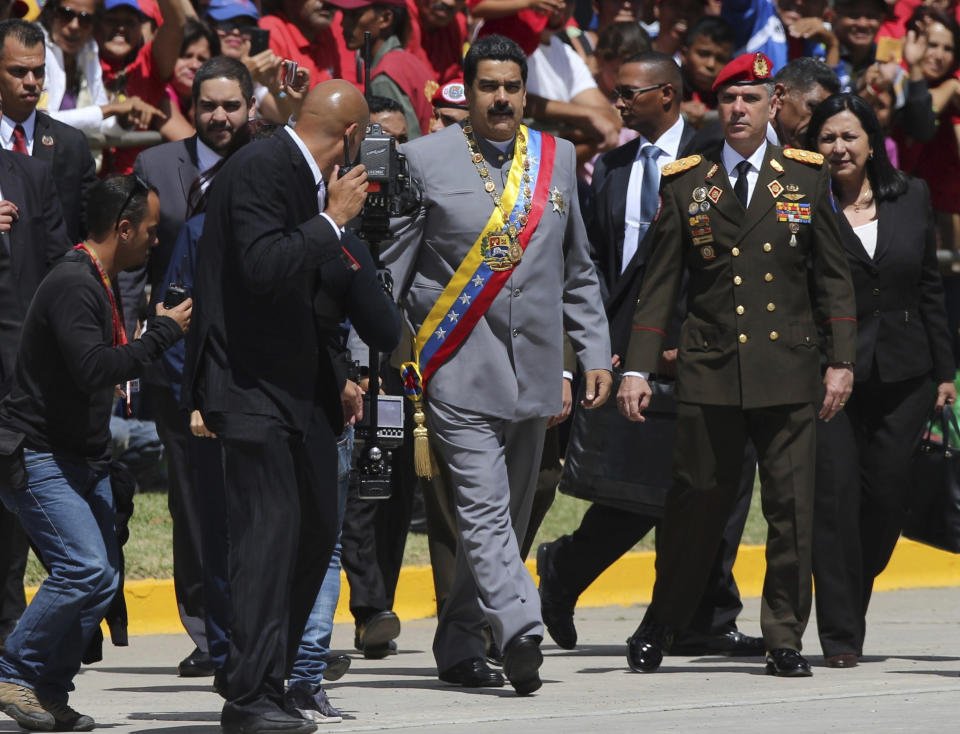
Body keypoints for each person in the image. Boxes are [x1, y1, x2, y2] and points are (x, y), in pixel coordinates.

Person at [617, 51, 857, 678]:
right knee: (695, 505)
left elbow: (833, 279)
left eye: (751, 98)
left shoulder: (805, 177)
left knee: (791, 512)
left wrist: (842, 362)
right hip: (711, 368)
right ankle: (663, 622)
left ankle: (782, 636)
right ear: (715, 107)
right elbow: (660, 286)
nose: (739, 110)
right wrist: (639, 368)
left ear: (775, 103)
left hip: (788, 367)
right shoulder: (688, 181)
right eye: (728, 99)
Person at [384, 34, 611, 695]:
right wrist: (374, 357)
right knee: (482, 512)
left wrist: (592, 350)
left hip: (536, 372)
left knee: (508, 518)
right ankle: (519, 628)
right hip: (456, 366)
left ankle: (458, 645)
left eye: (512, 86)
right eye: (489, 86)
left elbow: (577, 268)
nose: (502, 97)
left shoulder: (556, 158)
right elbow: (391, 271)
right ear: (469, 89)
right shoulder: (420, 160)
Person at [539, 50, 763, 658]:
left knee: (715, 483)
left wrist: (682, 338)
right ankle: (572, 571)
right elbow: (589, 269)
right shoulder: (610, 168)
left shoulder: (718, 157)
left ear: (666, 95)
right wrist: (597, 350)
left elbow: (724, 265)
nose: (616, 103)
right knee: (642, 484)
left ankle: (703, 614)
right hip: (623, 357)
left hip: (705, 348)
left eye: (629, 93)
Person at [182, 79, 369, 734]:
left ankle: (266, 675)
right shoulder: (263, 167)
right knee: (268, 538)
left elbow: (307, 291)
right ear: (350, 135)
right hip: (249, 385)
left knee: (315, 526)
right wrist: (331, 222)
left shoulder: (305, 175)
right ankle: (249, 696)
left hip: (300, 386)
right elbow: (262, 268)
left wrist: (338, 372)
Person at [0, 174, 191, 733]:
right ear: (123, 228)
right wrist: (158, 335)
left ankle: (46, 691)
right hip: (37, 455)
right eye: (149, 232)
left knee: (102, 579)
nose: (155, 242)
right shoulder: (73, 282)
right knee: (82, 568)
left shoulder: (99, 279)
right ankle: (13, 669)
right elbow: (93, 369)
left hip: (84, 457)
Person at [807, 93, 957, 669]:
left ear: (872, 143)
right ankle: (841, 633)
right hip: (828, 379)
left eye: (850, 136)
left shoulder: (911, 195)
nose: (839, 147)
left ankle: (851, 594)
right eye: (827, 137)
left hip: (906, 373)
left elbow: (928, 288)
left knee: (887, 500)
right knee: (836, 500)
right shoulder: (802, 202)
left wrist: (946, 372)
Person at [133, 55, 256, 680]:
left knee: (252, 504)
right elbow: (133, 259)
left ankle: (254, 632)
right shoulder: (158, 165)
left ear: (249, 107)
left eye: (232, 105)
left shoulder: (268, 161)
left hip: (255, 369)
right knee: (193, 504)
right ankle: (206, 631)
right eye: (209, 104)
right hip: (175, 364)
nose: (219, 116)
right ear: (192, 102)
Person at [0, 147, 70, 658]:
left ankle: (9, 633)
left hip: (15, 377)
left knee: (11, 512)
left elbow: (58, 269)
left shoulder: (30, 173)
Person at [0, 19, 98, 244]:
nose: (32, 82)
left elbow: (91, 231)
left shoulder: (71, 144)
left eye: (39, 71)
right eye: (19, 72)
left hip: (55, 274)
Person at [38, 0, 165, 134]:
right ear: (50, 13)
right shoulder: (34, 47)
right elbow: (40, 121)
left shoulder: (89, 49)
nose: (75, 25)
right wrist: (112, 109)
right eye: (66, 14)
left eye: (85, 19)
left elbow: (101, 122)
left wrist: (125, 118)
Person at [330, 0, 434, 138]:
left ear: (385, 18)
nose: (343, 23)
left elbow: (406, 144)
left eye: (354, 15)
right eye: (344, 14)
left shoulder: (384, 78)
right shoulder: (409, 62)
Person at [679, 15, 735, 129]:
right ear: (684, 54)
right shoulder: (665, 89)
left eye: (720, 59)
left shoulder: (735, 98)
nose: (711, 64)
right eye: (703, 54)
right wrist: (674, 113)